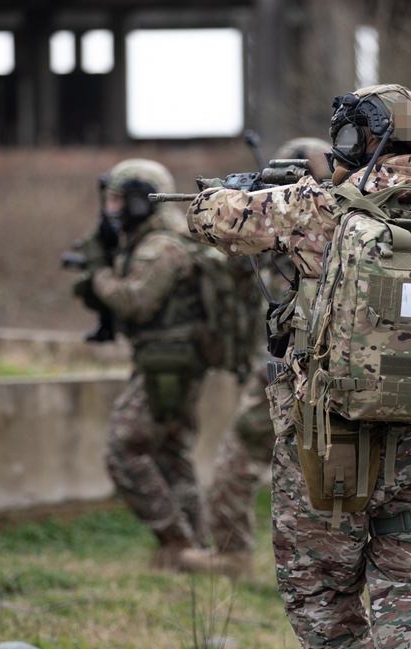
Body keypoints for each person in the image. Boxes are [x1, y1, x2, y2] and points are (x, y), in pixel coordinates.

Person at [185, 85, 411, 649]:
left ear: (358, 140)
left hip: (330, 441)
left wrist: (239, 192)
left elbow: (210, 221)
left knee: (322, 586)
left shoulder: (321, 207)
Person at [179, 137, 332, 581]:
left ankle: (231, 553)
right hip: (331, 370)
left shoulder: (302, 217)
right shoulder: (350, 216)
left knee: (241, 453)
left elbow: (221, 232)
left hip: (293, 366)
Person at [72, 158, 210, 569]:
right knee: (169, 452)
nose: (111, 208)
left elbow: (135, 302)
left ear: (139, 201)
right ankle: (194, 549)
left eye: (119, 199)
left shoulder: (161, 245)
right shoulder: (152, 238)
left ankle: (176, 541)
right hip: (168, 360)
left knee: (123, 447)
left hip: (172, 362)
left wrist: (98, 272)